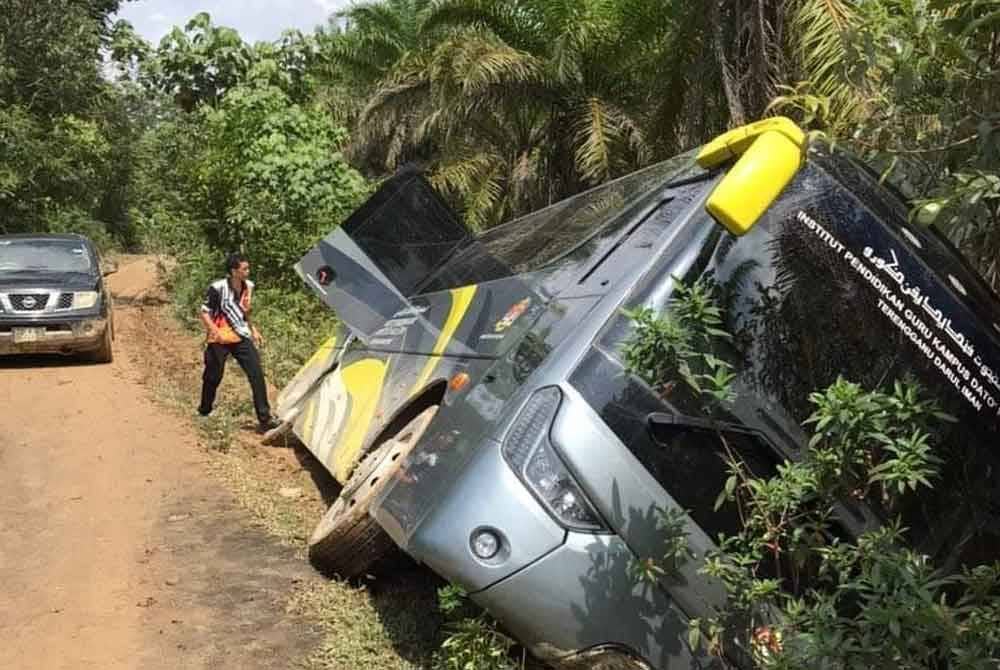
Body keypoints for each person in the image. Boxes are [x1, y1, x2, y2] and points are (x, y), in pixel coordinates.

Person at [197, 252, 280, 434]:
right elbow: (204, 311)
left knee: (256, 372)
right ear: (234, 271)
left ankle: (265, 418)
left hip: (240, 334)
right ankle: (204, 410)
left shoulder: (248, 287)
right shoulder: (217, 288)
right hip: (219, 337)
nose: (248, 271)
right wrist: (215, 331)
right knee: (213, 375)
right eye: (245, 268)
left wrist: (253, 329)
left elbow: (245, 311)